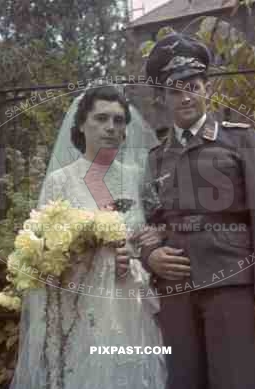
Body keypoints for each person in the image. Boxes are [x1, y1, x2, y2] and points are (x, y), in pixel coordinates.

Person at [140, 33, 255, 389]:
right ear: (164, 98)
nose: (185, 96)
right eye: (175, 90)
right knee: (184, 381)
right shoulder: (156, 156)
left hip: (232, 285)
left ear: (208, 88)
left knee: (239, 381)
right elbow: (148, 224)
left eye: (193, 85)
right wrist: (150, 255)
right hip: (176, 290)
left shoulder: (241, 140)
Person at [9, 84, 166, 389]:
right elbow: (44, 256)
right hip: (78, 307)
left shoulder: (135, 176)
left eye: (118, 120)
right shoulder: (61, 181)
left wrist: (142, 248)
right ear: (81, 124)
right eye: (101, 118)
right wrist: (89, 251)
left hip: (128, 305)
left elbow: (152, 232)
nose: (110, 127)